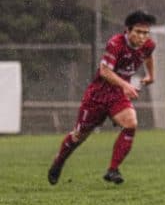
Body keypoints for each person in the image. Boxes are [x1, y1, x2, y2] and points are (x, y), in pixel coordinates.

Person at [47, 10, 157, 185]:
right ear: (127, 31)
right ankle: (58, 162)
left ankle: (113, 170)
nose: (142, 37)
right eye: (138, 32)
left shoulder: (149, 45)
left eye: (145, 33)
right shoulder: (116, 44)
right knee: (78, 136)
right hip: (97, 96)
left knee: (131, 123)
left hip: (117, 96)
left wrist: (151, 75)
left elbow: (148, 56)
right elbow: (105, 72)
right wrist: (126, 85)